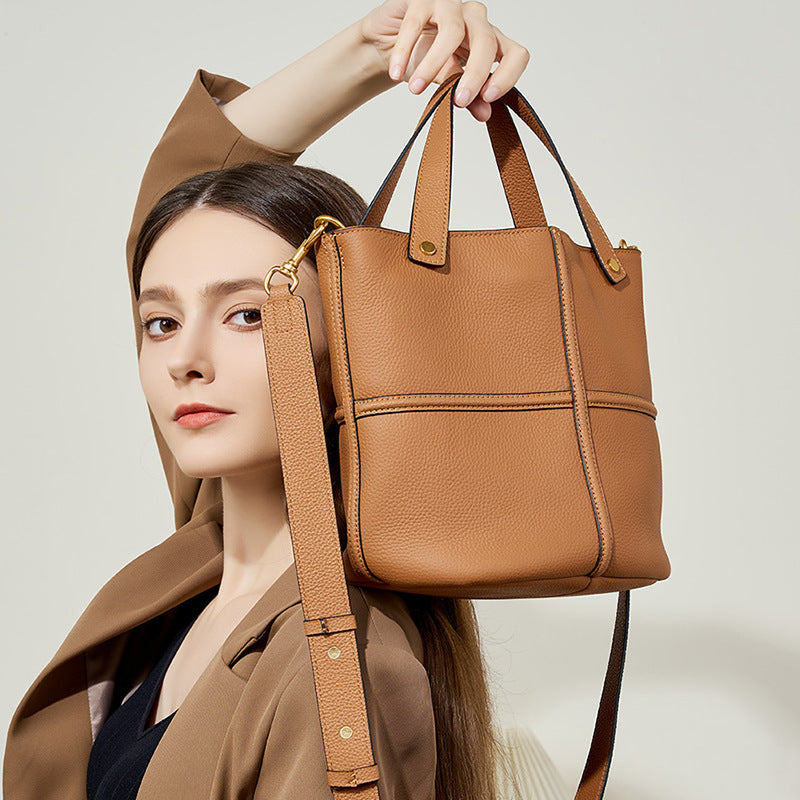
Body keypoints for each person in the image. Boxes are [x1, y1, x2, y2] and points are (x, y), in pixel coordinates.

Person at [3, 2, 531, 799]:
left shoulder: (340, 664)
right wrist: (369, 51)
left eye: (250, 314)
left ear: (353, 351)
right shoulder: (203, 551)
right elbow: (191, 186)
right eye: (160, 320)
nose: (186, 359)